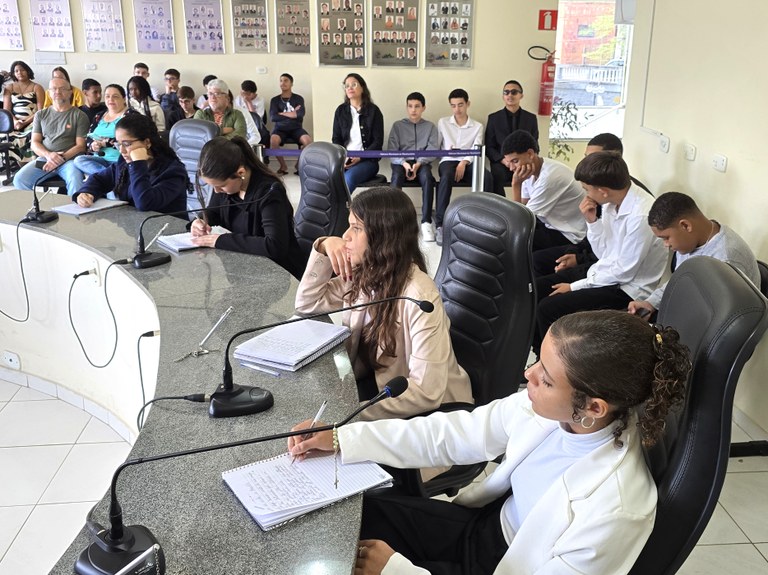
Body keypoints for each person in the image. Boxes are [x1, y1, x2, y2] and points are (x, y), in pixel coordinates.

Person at [288, 309, 691, 575]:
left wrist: (397, 571)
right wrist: (341, 437)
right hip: (481, 527)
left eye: (546, 378)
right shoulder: (556, 411)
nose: (529, 375)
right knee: (355, 517)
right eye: (538, 361)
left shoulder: (617, 508)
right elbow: (451, 434)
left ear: (594, 407)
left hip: (503, 564)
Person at [294, 187, 472, 418]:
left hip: (433, 411)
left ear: (383, 237)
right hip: (381, 387)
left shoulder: (419, 296)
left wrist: (350, 416)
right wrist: (324, 246)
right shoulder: (366, 273)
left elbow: (426, 393)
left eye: (356, 228)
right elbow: (307, 303)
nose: (345, 236)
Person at [532, 151, 667, 357]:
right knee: (537, 289)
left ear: (603, 191)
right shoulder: (612, 202)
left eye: (587, 189)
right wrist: (592, 221)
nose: (585, 194)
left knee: (548, 308)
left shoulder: (640, 216)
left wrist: (574, 286)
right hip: (605, 272)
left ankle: (551, 362)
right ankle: (538, 351)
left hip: (628, 288)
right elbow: (604, 252)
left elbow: (624, 272)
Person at [628, 191, 760, 319]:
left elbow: (720, 319)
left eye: (666, 238)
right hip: (691, 310)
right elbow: (678, 281)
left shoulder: (725, 260)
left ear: (685, 225)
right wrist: (650, 303)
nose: (666, 245)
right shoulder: (692, 241)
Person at [190, 136, 306, 279]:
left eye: (221, 186)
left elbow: (274, 246)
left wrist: (220, 240)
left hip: (278, 273)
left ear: (241, 173)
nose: (216, 191)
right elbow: (213, 213)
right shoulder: (227, 187)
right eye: (212, 186)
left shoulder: (269, 192)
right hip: (243, 269)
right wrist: (200, 222)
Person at [71, 113, 187, 213]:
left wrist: (138, 163)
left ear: (147, 143)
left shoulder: (173, 171)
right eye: (118, 144)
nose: (122, 151)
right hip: (134, 225)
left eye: (127, 144)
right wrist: (87, 192)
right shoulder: (125, 163)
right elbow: (99, 179)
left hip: (165, 228)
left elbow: (144, 203)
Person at [503, 130, 586, 251]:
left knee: (512, 239)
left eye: (515, 161)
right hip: (551, 226)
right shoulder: (529, 171)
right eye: (508, 163)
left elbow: (519, 221)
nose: (511, 168)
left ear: (530, 154)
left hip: (570, 234)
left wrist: (516, 185)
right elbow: (522, 208)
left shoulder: (550, 177)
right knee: (504, 234)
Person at [12, 76, 88, 195]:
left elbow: (81, 146)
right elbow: (35, 143)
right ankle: (36, 206)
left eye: (62, 88)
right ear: (49, 93)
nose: (57, 92)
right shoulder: (40, 115)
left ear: (70, 92)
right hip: (45, 159)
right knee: (20, 179)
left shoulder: (79, 115)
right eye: (54, 89)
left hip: (69, 160)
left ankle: (74, 206)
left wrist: (60, 159)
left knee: (75, 181)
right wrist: (49, 155)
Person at [434, 88, 488, 245]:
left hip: (469, 161)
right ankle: (440, 225)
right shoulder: (443, 122)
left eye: (460, 105)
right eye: (453, 105)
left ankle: (483, 222)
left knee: (486, 177)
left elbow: (477, 148)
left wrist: (464, 162)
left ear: (467, 104)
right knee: (446, 177)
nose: (457, 109)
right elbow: (437, 147)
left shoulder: (477, 126)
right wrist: (447, 152)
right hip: (447, 160)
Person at [387, 91, 439, 242]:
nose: (413, 110)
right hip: (401, 162)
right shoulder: (397, 126)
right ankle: (393, 221)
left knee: (428, 178)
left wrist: (418, 164)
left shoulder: (430, 127)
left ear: (423, 108)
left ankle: (426, 222)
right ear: (406, 107)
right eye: (410, 106)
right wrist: (403, 163)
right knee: (396, 178)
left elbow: (433, 149)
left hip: (421, 162)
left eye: (417, 106)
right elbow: (392, 149)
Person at [332, 73, 384, 194]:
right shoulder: (340, 111)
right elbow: (336, 139)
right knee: (328, 178)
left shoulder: (374, 111)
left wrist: (360, 157)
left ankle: (340, 206)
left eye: (354, 84)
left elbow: (378, 142)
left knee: (348, 178)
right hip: (345, 160)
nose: (350, 88)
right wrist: (343, 158)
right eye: (347, 86)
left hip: (368, 161)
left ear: (362, 88)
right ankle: (334, 205)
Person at [485, 80, 538, 197]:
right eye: (506, 92)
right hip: (502, 163)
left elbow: (535, 146)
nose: (510, 95)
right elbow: (489, 147)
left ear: (521, 95)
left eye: (514, 92)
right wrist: (505, 161)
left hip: (524, 162)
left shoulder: (531, 118)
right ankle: (501, 205)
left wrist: (522, 161)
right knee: (495, 175)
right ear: (503, 96)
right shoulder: (494, 118)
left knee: (534, 172)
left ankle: (528, 206)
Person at [72, 84, 129, 177]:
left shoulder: (130, 115)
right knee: (79, 160)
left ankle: (106, 178)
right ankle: (110, 177)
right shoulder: (99, 116)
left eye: (115, 96)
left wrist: (105, 143)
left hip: (120, 160)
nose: (110, 99)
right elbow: (89, 137)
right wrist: (93, 145)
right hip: (99, 161)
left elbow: (130, 140)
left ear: (124, 99)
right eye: (107, 96)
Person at [2, 60, 46, 168]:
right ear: (13, 73)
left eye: (22, 70)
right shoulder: (9, 88)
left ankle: (30, 167)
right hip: (13, 122)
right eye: (16, 71)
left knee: (31, 135)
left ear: (28, 71)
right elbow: (6, 110)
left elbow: (40, 110)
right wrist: (16, 122)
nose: (19, 73)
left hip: (32, 121)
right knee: (7, 136)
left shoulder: (37, 87)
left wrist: (25, 123)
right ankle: (16, 166)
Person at [269, 73, 312, 175]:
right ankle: (283, 166)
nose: (282, 83)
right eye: (281, 81)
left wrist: (281, 113)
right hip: (280, 128)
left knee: (308, 141)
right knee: (273, 141)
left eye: (286, 80)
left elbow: (300, 114)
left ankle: (298, 165)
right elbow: (273, 117)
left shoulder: (298, 98)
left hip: (296, 128)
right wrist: (292, 114)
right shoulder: (275, 100)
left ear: (291, 83)